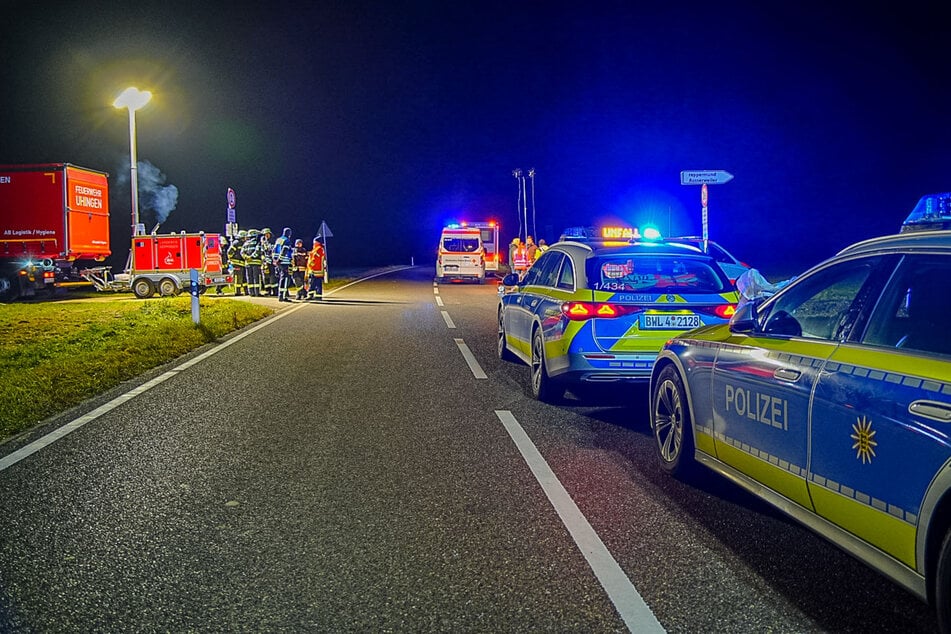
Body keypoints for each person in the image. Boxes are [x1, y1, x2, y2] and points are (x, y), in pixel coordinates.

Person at [272, 227, 294, 302]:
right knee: (285, 278)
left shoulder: (278, 239)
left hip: (277, 262)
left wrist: (274, 259)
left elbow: (274, 250)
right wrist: (280, 259)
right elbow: (284, 250)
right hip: (284, 262)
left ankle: (281, 295)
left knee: (281, 278)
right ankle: (283, 296)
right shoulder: (287, 240)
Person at [241, 228, 263, 296]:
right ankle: (257, 292)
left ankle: (251, 293)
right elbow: (258, 251)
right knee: (256, 278)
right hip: (256, 263)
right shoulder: (257, 242)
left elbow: (242, 252)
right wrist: (252, 257)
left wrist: (246, 257)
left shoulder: (245, 243)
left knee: (249, 277)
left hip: (247, 263)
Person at [306, 236, 326, 300]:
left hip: (315, 269)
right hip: (317, 269)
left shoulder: (318, 249)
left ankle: (312, 295)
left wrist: (310, 265)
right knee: (316, 283)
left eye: (314, 241)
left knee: (313, 282)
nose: (313, 243)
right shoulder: (318, 248)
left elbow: (315, 259)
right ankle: (318, 296)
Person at [227, 230, 247, 296]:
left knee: (244, 278)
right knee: (238, 278)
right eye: (244, 237)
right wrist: (231, 259)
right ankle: (237, 292)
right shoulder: (236, 243)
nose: (246, 238)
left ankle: (246, 291)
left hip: (243, 263)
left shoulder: (244, 243)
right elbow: (229, 252)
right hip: (237, 263)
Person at [260, 228, 277, 296]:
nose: (266, 236)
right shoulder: (263, 242)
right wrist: (263, 259)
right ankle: (268, 290)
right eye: (265, 235)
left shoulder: (273, 242)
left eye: (267, 234)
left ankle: (275, 291)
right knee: (265, 276)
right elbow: (262, 252)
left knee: (273, 276)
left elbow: (274, 251)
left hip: (272, 262)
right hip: (265, 262)